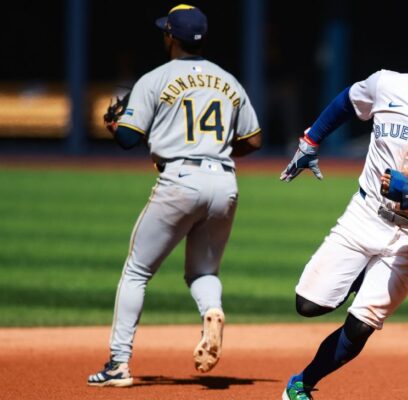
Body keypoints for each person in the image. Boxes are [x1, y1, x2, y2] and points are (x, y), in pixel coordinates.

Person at [279, 27, 408, 399]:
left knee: (361, 325)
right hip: (366, 214)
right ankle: (362, 276)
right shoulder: (385, 84)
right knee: (308, 305)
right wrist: (311, 140)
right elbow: (347, 101)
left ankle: (302, 384)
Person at [87, 4, 262, 387]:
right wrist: (216, 151)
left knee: (137, 272)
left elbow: (128, 139)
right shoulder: (229, 81)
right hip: (225, 182)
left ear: (170, 36)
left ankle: (118, 364)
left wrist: (115, 125)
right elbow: (253, 140)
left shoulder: (155, 78)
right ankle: (212, 310)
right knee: (203, 272)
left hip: (180, 179)